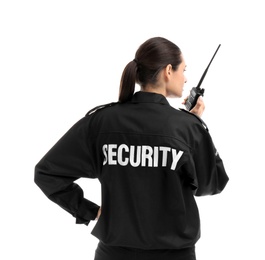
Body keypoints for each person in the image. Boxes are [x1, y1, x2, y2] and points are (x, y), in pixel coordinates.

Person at [34, 37, 229, 260]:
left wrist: (90, 211)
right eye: (183, 70)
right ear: (168, 71)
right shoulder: (186, 127)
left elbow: (47, 173)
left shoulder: (101, 122)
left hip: (112, 253)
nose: (185, 79)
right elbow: (212, 184)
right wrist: (197, 126)